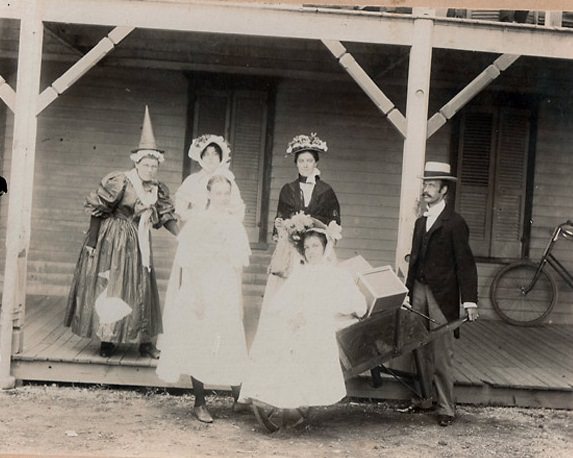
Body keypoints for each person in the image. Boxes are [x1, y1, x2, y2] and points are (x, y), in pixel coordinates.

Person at [64, 106, 178, 359]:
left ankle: (145, 342)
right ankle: (108, 339)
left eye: (153, 165)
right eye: (146, 164)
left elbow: (167, 217)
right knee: (113, 285)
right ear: (137, 163)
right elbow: (97, 209)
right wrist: (92, 243)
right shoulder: (122, 181)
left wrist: (182, 236)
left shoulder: (157, 189)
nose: (150, 169)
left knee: (141, 287)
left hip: (140, 241)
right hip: (114, 238)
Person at [240, 227, 367, 419]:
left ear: (325, 247)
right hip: (299, 319)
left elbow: (357, 305)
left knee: (302, 335)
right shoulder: (301, 273)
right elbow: (281, 302)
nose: (311, 251)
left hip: (324, 320)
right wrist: (289, 314)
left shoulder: (336, 274)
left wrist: (313, 312)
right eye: (307, 247)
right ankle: (267, 391)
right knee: (273, 331)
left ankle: (293, 397)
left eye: (315, 246)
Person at [156, 175, 251, 424]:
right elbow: (190, 264)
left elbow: (238, 266)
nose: (222, 198)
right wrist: (197, 296)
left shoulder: (234, 225)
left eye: (226, 193)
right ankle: (199, 402)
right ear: (209, 194)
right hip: (202, 287)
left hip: (226, 288)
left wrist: (239, 297)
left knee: (229, 337)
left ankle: (238, 397)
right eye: (217, 193)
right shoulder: (198, 222)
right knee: (200, 339)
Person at [404, 161, 479, 427]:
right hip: (419, 290)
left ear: (444, 190)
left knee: (441, 351)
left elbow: (465, 264)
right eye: (425, 184)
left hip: (442, 295)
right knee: (419, 346)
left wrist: (469, 301)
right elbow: (414, 260)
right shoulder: (420, 222)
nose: (426, 189)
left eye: (432, 185)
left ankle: (446, 407)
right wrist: (407, 291)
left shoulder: (455, 223)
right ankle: (426, 398)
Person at [264, 133, 341, 303]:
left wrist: (326, 228)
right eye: (301, 161)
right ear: (296, 164)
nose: (305, 165)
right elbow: (281, 217)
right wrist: (281, 224)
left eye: (309, 161)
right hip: (292, 247)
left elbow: (335, 220)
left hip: (316, 248)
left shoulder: (326, 191)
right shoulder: (288, 189)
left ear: (316, 163)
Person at [174, 134, 244, 222]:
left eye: (215, 154)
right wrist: (197, 215)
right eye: (206, 154)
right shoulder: (192, 180)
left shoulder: (227, 180)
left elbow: (238, 210)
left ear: (220, 157)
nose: (211, 158)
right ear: (201, 158)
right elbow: (180, 210)